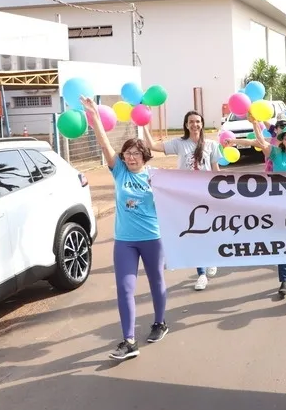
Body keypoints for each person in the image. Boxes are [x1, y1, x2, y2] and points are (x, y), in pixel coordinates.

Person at [80, 96, 168, 360]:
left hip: (152, 238)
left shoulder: (156, 177)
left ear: (145, 156)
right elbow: (104, 142)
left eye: (135, 153)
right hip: (125, 241)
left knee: (156, 282)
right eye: (127, 152)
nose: (130, 156)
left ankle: (160, 322)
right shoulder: (119, 172)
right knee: (125, 288)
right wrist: (94, 115)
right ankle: (129, 341)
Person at [229, 117, 286, 297]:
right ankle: (284, 279)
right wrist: (255, 123)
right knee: (282, 243)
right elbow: (261, 142)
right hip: (280, 207)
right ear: (282, 140)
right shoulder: (277, 153)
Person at [144, 111, 220, 291]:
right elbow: (152, 145)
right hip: (185, 196)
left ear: (202, 124)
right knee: (194, 233)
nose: (195, 125)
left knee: (210, 230)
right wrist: (143, 125)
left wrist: (223, 192)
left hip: (207, 194)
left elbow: (216, 170)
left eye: (198, 121)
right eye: (191, 122)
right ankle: (201, 273)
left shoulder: (211, 145)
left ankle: (211, 259)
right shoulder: (179, 144)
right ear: (186, 125)